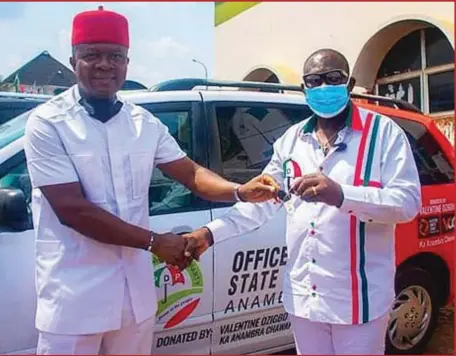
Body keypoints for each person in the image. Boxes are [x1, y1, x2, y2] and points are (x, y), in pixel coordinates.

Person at [24, 6, 280, 356]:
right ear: (73, 61)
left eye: (115, 56)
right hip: (74, 299)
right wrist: (154, 241)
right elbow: (73, 210)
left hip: (135, 297)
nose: (104, 65)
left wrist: (238, 190)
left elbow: (190, 173)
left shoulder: (143, 123)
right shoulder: (48, 123)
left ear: (127, 63)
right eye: (92, 55)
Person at [183, 48, 422, 355]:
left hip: (359, 303)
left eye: (333, 78)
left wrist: (342, 195)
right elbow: (263, 201)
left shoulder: (383, 134)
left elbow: (407, 203)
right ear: (303, 89)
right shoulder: (291, 141)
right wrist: (209, 233)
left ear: (349, 84)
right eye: (314, 80)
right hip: (304, 300)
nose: (324, 86)